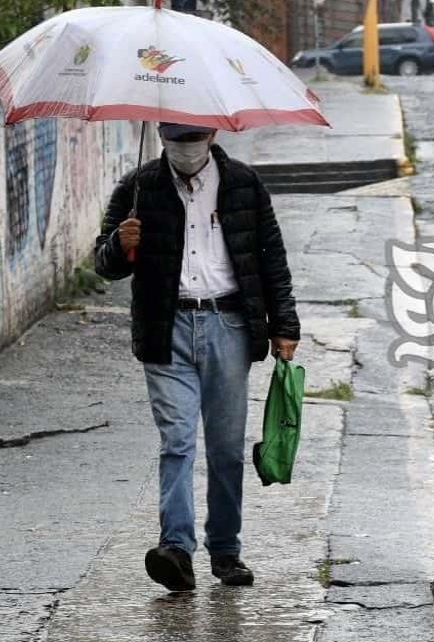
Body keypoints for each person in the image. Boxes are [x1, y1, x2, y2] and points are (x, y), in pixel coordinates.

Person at [94, 122, 300, 592]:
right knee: (177, 442)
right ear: (163, 138)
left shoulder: (244, 184)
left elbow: (272, 259)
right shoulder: (138, 187)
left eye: (193, 139)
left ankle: (226, 550)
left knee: (226, 448)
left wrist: (284, 326)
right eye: (175, 140)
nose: (184, 149)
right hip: (165, 328)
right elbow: (102, 265)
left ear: (210, 138)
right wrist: (119, 245)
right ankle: (176, 549)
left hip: (228, 323)